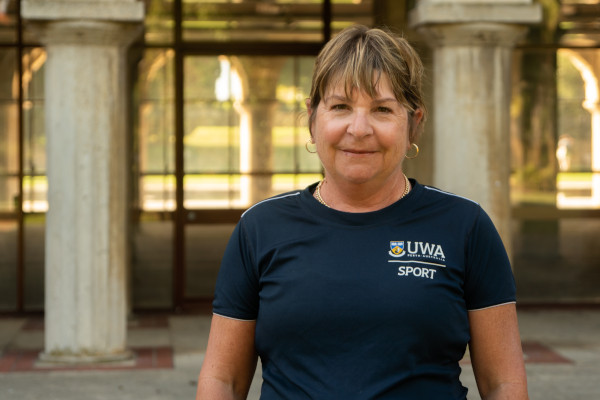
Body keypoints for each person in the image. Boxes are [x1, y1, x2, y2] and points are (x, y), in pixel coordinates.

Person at [197, 25, 528, 400]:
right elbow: (223, 381)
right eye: (340, 106)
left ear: (414, 123)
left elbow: (503, 383)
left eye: (382, 109)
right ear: (312, 117)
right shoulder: (260, 228)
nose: (358, 129)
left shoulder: (465, 226)